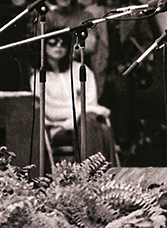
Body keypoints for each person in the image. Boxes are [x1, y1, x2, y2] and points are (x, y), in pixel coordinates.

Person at [85, 0, 156, 156]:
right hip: (97, 72)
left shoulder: (135, 12)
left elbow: (147, 41)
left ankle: (124, 150)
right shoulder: (91, 12)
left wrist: (134, 62)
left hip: (126, 73)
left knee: (123, 107)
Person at [33, 33, 116, 167]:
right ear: (44, 47)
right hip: (58, 127)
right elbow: (49, 110)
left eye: (63, 43)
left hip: (85, 121)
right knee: (94, 123)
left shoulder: (82, 70)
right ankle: (97, 173)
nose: (58, 47)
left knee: (92, 123)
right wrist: (75, 117)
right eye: (53, 43)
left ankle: (90, 173)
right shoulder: (38, 78)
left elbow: (90, 101)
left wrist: (77, 117)